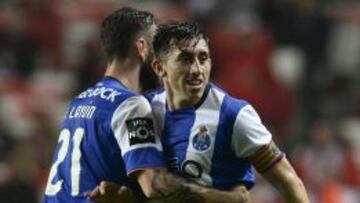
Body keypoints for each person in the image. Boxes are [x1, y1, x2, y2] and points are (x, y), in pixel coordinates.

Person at [44, 7, 250, 203]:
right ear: (142, 48)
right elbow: (155, 185)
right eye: (157, 46)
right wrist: (227, 198)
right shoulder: (129, 105)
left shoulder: (78, 102)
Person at [145, 22, 310, 203]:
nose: (197, 69)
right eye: (185, 59)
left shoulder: (233, 114)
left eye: (203, 58)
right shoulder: (141, 112)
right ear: (160, 68)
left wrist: (185, 191)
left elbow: (288, 181)